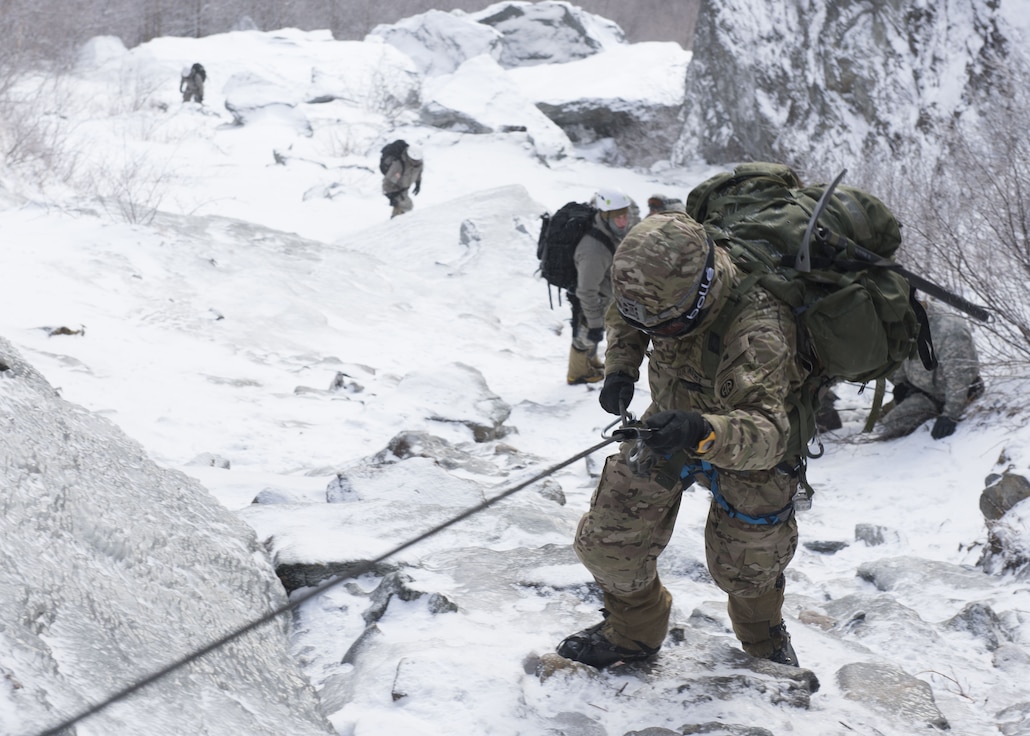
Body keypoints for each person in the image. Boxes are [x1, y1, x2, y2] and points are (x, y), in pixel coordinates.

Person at [557, 212, 809, 669]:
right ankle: (633, 632)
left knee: (746, 570)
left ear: (699, 296)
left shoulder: (759, 329)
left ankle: (764, 643)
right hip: (668, 423)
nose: (652, 330)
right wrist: (620, 368)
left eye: (664, 324)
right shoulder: (654, 288)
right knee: (609, 540)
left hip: (751, 449)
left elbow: (768, 433)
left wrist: (701, 430)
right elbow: (628, 315)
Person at [875, 301, 982, 440]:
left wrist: (950, 416)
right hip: (922, 391)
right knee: (885, 421)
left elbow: (959, 379)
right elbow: (905, 354)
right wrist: (902, 383)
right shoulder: (906, 322)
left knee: (891, 425)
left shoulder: (950, 331)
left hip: (949, 397)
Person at [567, 188, 634, 385]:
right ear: (605, 217)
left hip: (603, 298)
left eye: (625, 216)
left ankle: (591, 362)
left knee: (591, 334)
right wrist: (595, 322)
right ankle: (577, 374)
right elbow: (586, 290)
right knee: (585, 335)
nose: (623, 221)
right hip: (592, 300)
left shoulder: (609, 232)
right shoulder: (594, 249)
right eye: (617, 218)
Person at [382, 144, 423, 218]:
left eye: (418, 160)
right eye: (414, 160)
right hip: (395, 190)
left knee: (407, 207)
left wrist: (418, 183)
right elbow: (387, 181)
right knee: (405, 206)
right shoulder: (399, 165)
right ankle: (396, 225)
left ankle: (396, 223)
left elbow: (418, 173)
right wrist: (391, 197)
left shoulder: (419, 164)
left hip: (404, 189)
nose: (416, 162)